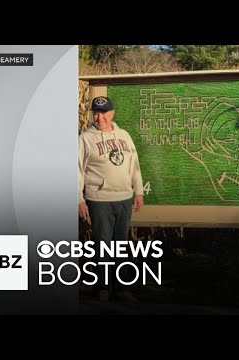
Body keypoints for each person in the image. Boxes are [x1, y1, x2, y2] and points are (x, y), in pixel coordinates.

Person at [78, 96, 144, 302]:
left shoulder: (124, 135)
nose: (100, 117)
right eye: (96, 113)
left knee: (121, 245)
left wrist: (138, 190)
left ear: (112, 113)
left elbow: (134, 164)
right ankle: (103, 287)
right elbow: (77, 170)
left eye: (104, 112)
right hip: (99, 199)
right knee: (103, 244)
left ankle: (121, 288)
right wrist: (78, 199)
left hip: (124, 198)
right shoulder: (85, 138)